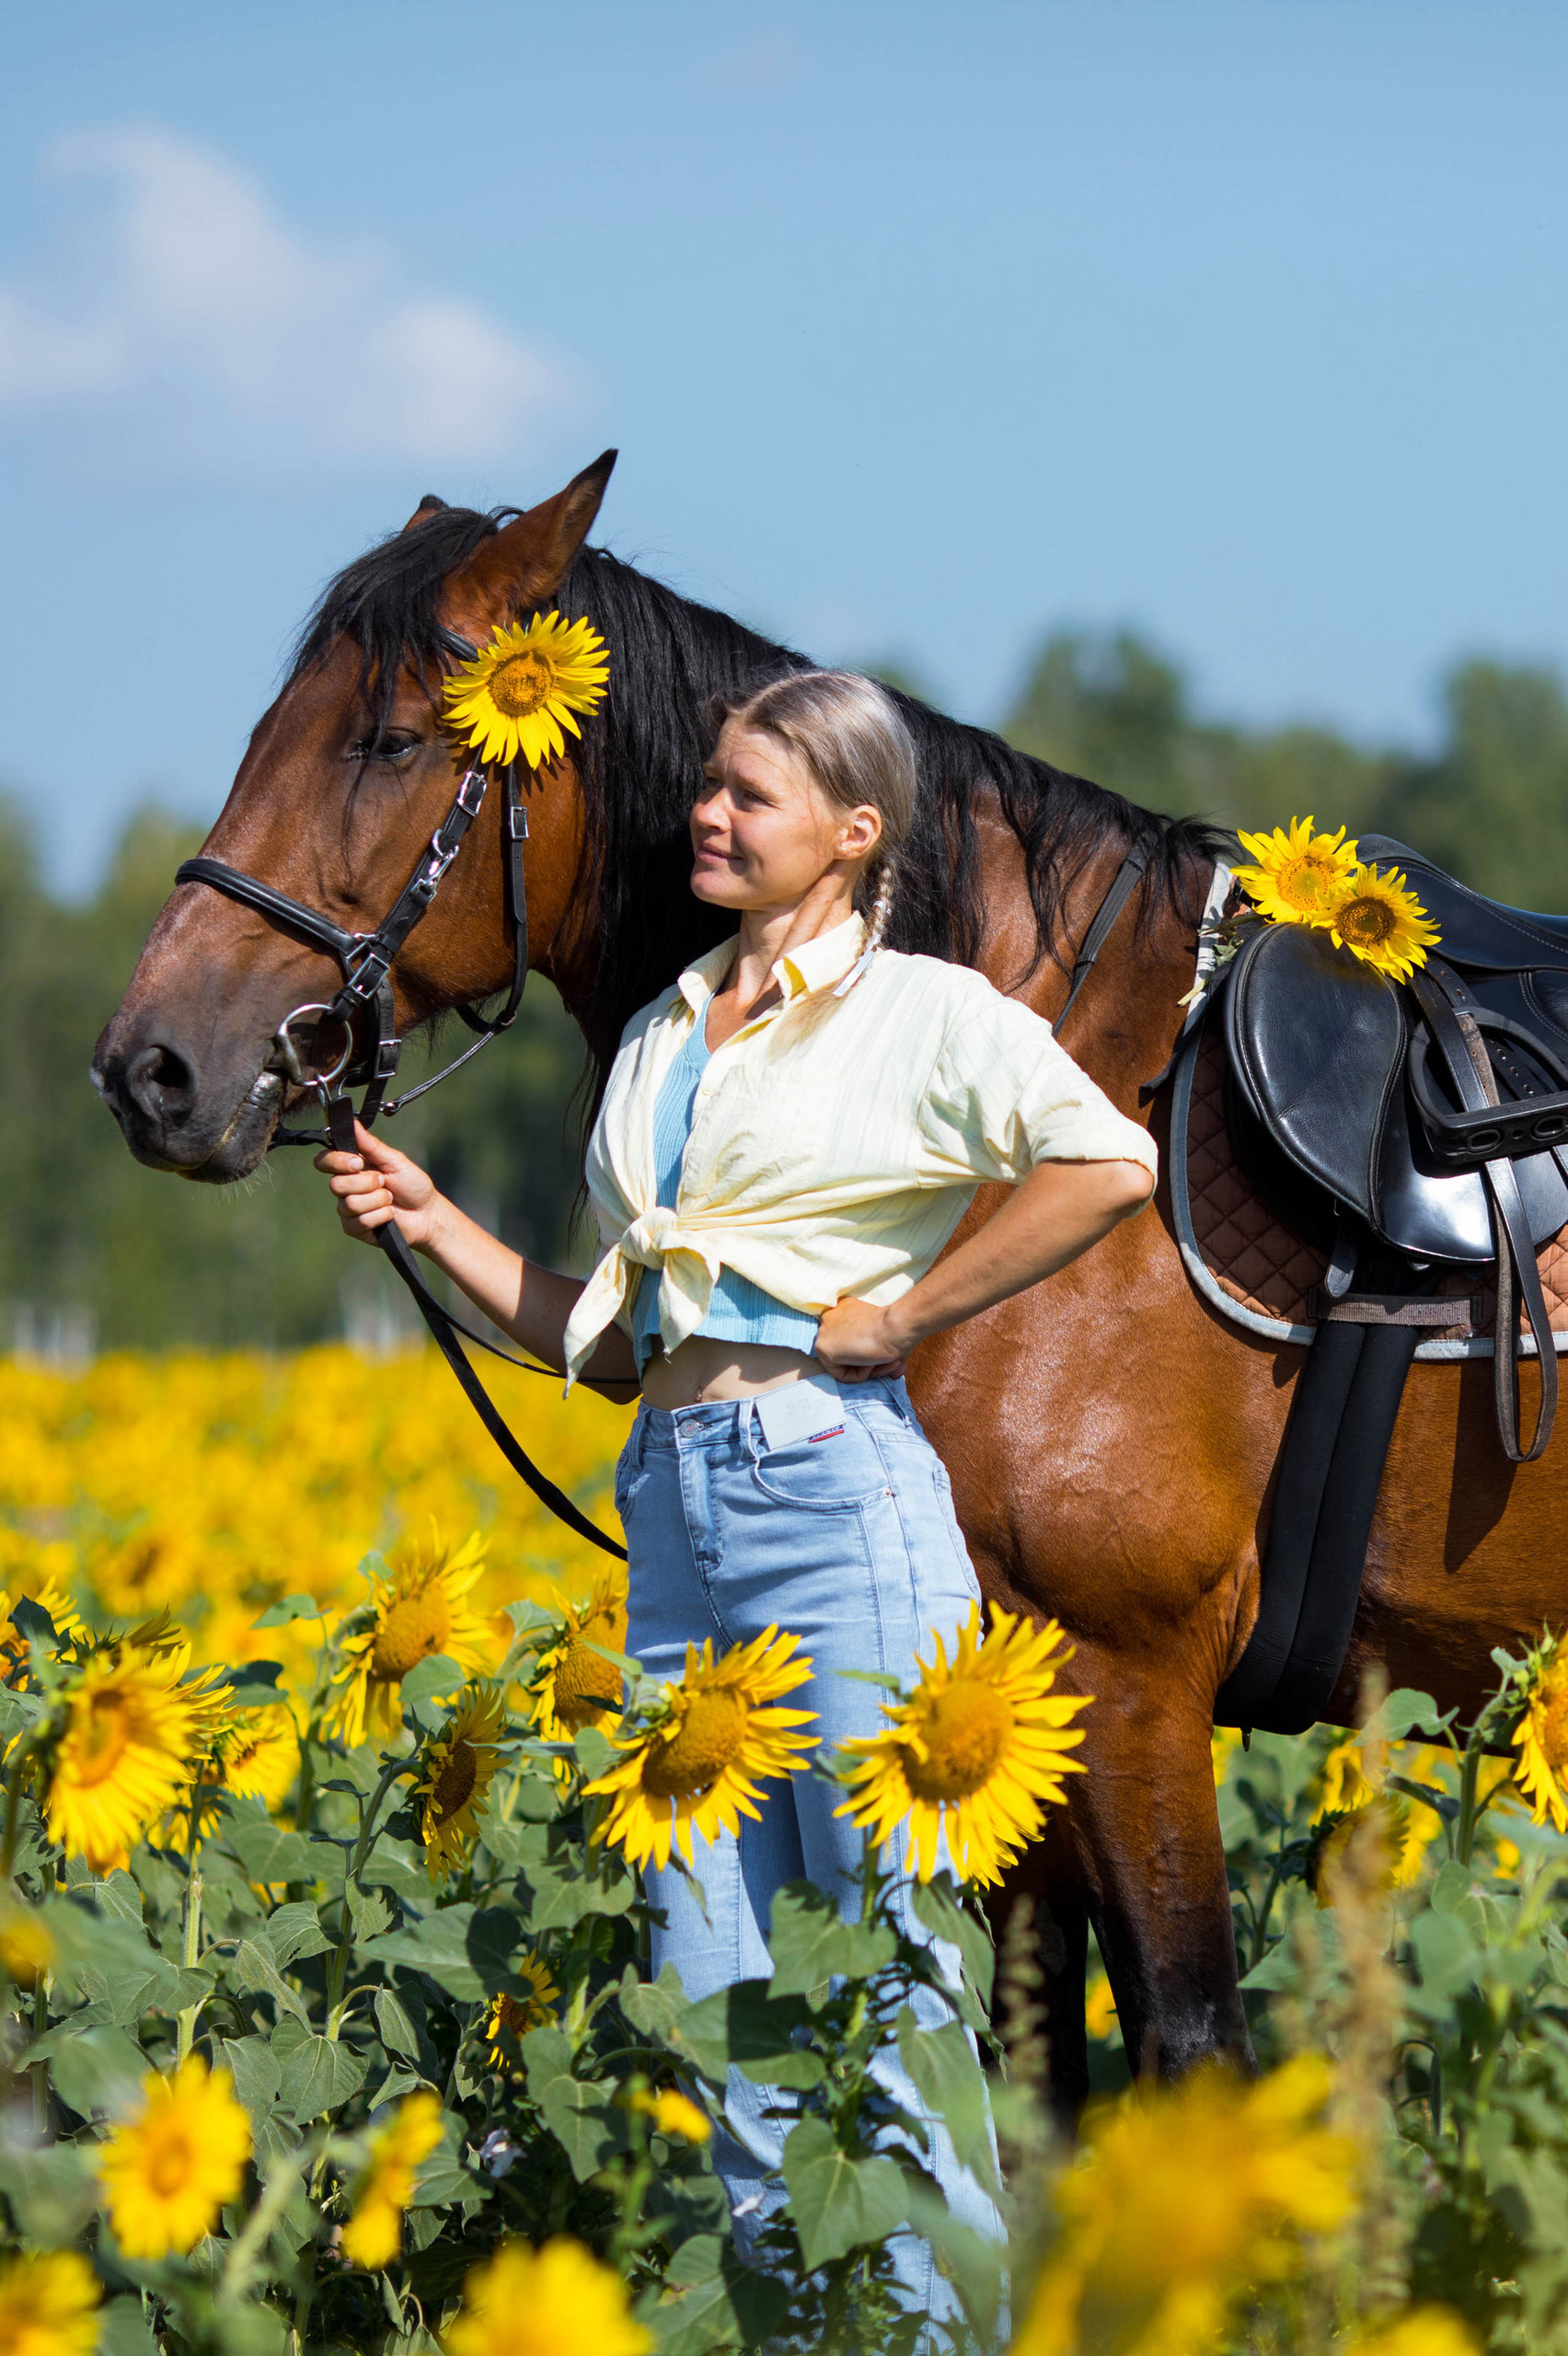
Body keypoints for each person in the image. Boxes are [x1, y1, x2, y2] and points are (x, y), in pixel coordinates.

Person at [317, 667, 1157, 2312]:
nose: (709, 812)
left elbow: (1109, 1160)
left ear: (855, 833)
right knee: (723, 2013)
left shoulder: (925, 1015)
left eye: (750, 794)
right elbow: (622, 1341)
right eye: (711, 784)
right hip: (679, 1515)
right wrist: (431, 1224)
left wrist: (914, 1311)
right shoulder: (659, 1031)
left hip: (836, 1499)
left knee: (889, 1992)